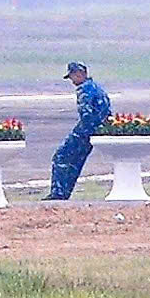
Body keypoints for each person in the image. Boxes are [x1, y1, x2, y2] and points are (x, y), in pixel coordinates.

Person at [44, 61, 111, 200]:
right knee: (76, 163)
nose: (72, 81)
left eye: (72, 76)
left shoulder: (84, 90)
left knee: (60, 157)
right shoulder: (96, 88)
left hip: (86, 132)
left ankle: (59, 193)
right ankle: (63, 193)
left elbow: (86, 115)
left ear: (79, 74)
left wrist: (81, 133)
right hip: (99, 129)